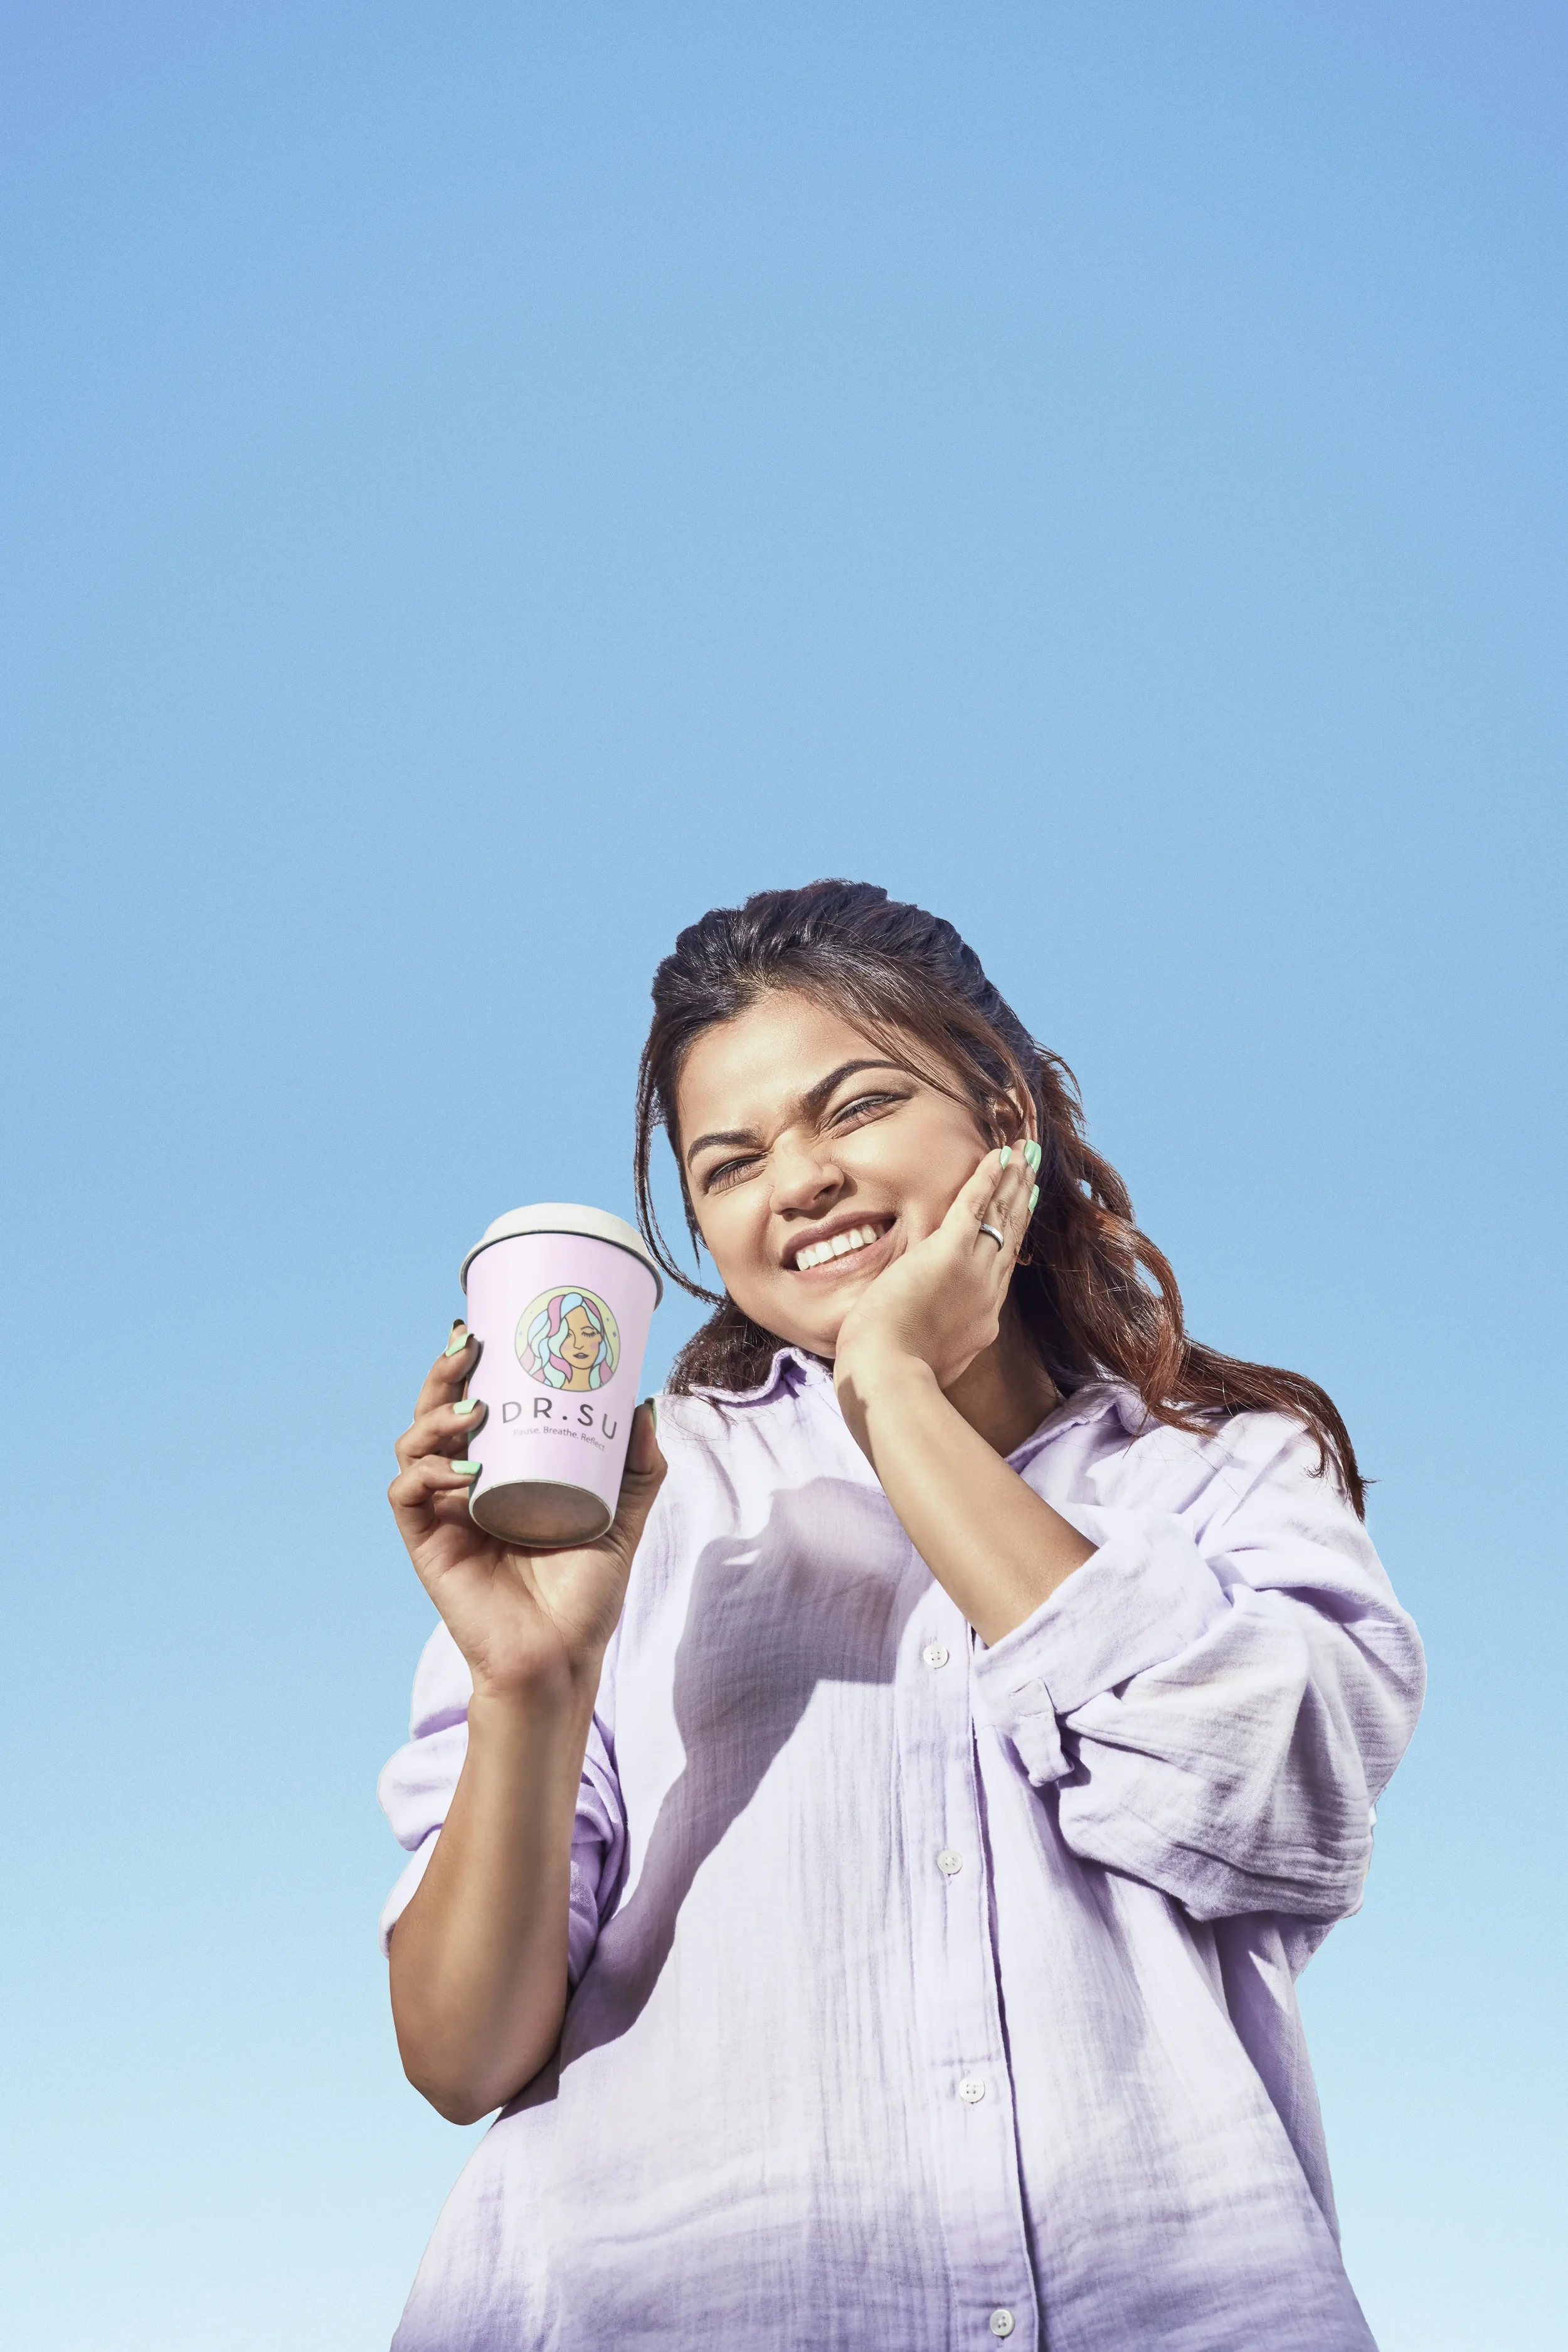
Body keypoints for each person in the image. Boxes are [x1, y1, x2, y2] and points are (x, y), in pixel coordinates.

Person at [379, 879, 1423, 2351]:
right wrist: (533, 1680)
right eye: (726, 1162)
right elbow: (457, 2053)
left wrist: (894, 1395)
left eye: (852, 1106)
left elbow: (1271, 1814)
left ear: (1004, 1111)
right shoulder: (640, 1501)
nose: (794, 1181)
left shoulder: (1227, 1475)